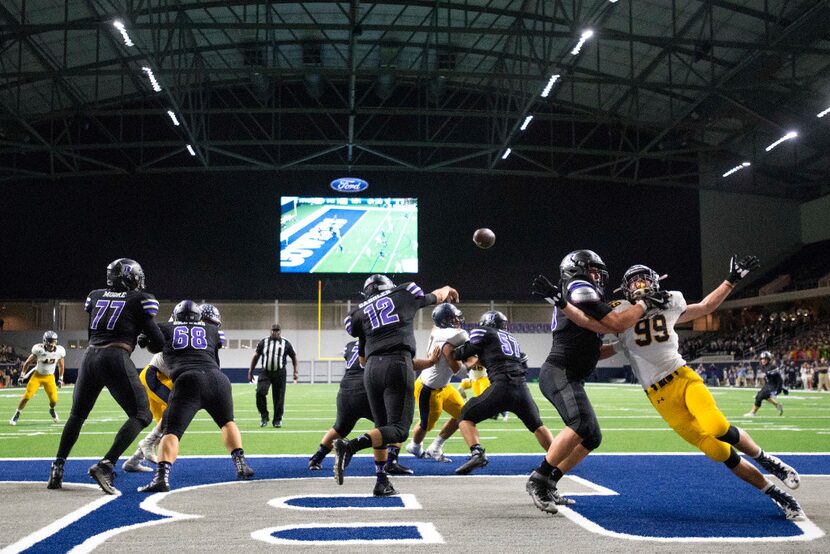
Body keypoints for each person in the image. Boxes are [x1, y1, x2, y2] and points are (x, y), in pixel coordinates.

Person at [577, 258, 803, 520]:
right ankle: (777, 495)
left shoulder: (671, 301)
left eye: (644, 279)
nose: (639, 284)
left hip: (682, 379)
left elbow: (707, 306)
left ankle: (767, 459)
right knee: (718, 451)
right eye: (634, 281)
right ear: (625, 289)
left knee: (717, 427)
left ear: (654, 281)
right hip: (658, 396)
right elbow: (606, 343)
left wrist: (732, 279)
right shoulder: (620, 313)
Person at [525, 250, 667, 513]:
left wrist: (620, 346)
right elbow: (616, 322)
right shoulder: (578, 287)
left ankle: (551, 481)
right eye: (593, 270)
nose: (598, 276)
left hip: (569, 374)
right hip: (560, 372)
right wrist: (644, 304)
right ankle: (538, 479)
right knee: (580, 423)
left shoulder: (576, 292)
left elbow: (593, 350)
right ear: (577, 269)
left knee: (591, 437)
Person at [333, 275, 458, 497]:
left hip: (371, 370)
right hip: (396, 363)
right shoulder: (403, 294)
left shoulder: (359, 313)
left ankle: (381, 480)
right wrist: (446, 286)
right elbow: (436, 296)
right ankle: (349, 447)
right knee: (398, 430)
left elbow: (361, 360)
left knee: (381, 427)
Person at [48, 258, 165, 494]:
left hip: (90, 356)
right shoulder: (139, 299)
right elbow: (159, 341)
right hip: (115, 357)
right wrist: (143, 339)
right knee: (141, 414)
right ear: (128, 276)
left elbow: (94, 330)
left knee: (77, 415)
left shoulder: (96, 295)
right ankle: (107, 464)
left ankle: (57, 467)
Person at [139, 300, 252, 492]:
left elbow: (148, 343)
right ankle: (241, 464)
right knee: (227, 422)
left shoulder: (165, 327)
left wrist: (145, 335)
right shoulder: (212, 330)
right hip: (218, 379)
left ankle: (161, 478)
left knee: (172, 431)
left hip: (188, 380)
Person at [308, 339, 439, 471]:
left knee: (340, 428)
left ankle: (316, 458)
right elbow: (407, 364)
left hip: (346, 390)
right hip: (368, 388)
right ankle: (390, 462)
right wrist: (430, 362)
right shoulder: (381, 341)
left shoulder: (350, 345)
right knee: (392, 425)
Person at [451, 311, 555, 478]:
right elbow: (524, 363)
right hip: (521, 387)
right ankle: (557, 458)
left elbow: (460, 353)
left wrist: (454, 350)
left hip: (501, 385)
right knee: (537, 426)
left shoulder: (484, 332)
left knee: (465, 416)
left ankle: (477, 454)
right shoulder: (511, 339)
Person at [123, 303, 223, 472]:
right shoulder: (181, 328)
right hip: (156, 376)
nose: (210, 328)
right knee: (177, 413)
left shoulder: (198, 332)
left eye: (213, 325)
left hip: (167, 378)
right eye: (209, 323)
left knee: (169, 425)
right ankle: (147, 443)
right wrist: (146, 336)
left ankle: (133, 461)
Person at [405, 303, 469, 463]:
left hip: (444, 385)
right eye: (453, 318)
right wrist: (473, 361)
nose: (457, 320)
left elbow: (438, 324)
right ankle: (414, 446)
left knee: (463, 414)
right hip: (429, 388)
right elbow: (460, 372)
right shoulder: (455, 336)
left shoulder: (438, 330)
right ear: (445, 321)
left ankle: (435, 447)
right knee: (426, 424)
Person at [10, 331, 65, 426]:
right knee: (26, 397)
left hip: (50, 378)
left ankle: (51, 410)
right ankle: (17, 413)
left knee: (54, 400)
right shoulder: (39, 350)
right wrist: (22, 375)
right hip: (37, 376)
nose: (52, 344)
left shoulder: (59, 351)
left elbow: (61, 366)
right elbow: (27, 363)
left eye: (54, 341)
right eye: (50, 341)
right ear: (45, 341)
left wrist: (60, 378)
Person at [248, 324, 297, 428]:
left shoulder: (285, 343)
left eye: (277, 330)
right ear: (270, 331)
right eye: (273, 330)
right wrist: (250, 371)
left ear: (280, 331)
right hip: (266, 372)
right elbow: (256, 356)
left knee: (279, 398)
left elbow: (293, 356)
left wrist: (295, 371)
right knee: (260, 392)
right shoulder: (264, 342)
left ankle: (277, 420)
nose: (275, 332)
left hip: (280, 373)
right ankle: (264, 416)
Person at [744, 351, 787, 417]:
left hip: (773, 386)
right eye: (762, 359)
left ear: (768, 359)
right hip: (768, 385)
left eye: (765, 359)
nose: (763, 360)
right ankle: (777, 405)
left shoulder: (772, 367)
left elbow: (779, 379)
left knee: (759, 396)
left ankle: (753, 413)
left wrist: (780, 389)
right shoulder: (762, 366)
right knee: (764, 396)